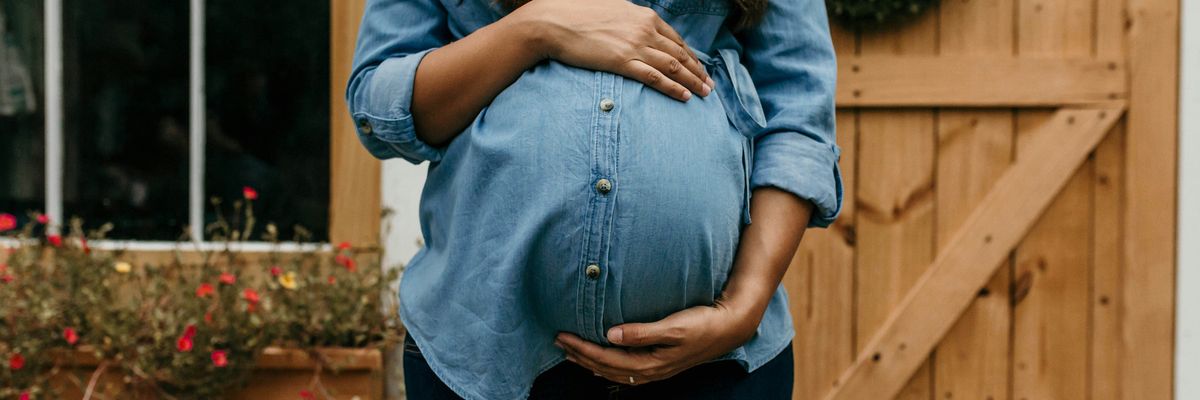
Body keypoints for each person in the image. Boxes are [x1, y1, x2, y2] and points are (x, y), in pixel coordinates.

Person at [346, 0, 841, 398]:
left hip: (718, 367)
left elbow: (798, 114)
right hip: (485, 359)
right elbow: (379, 104)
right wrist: (534, 27)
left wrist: (745, 305)